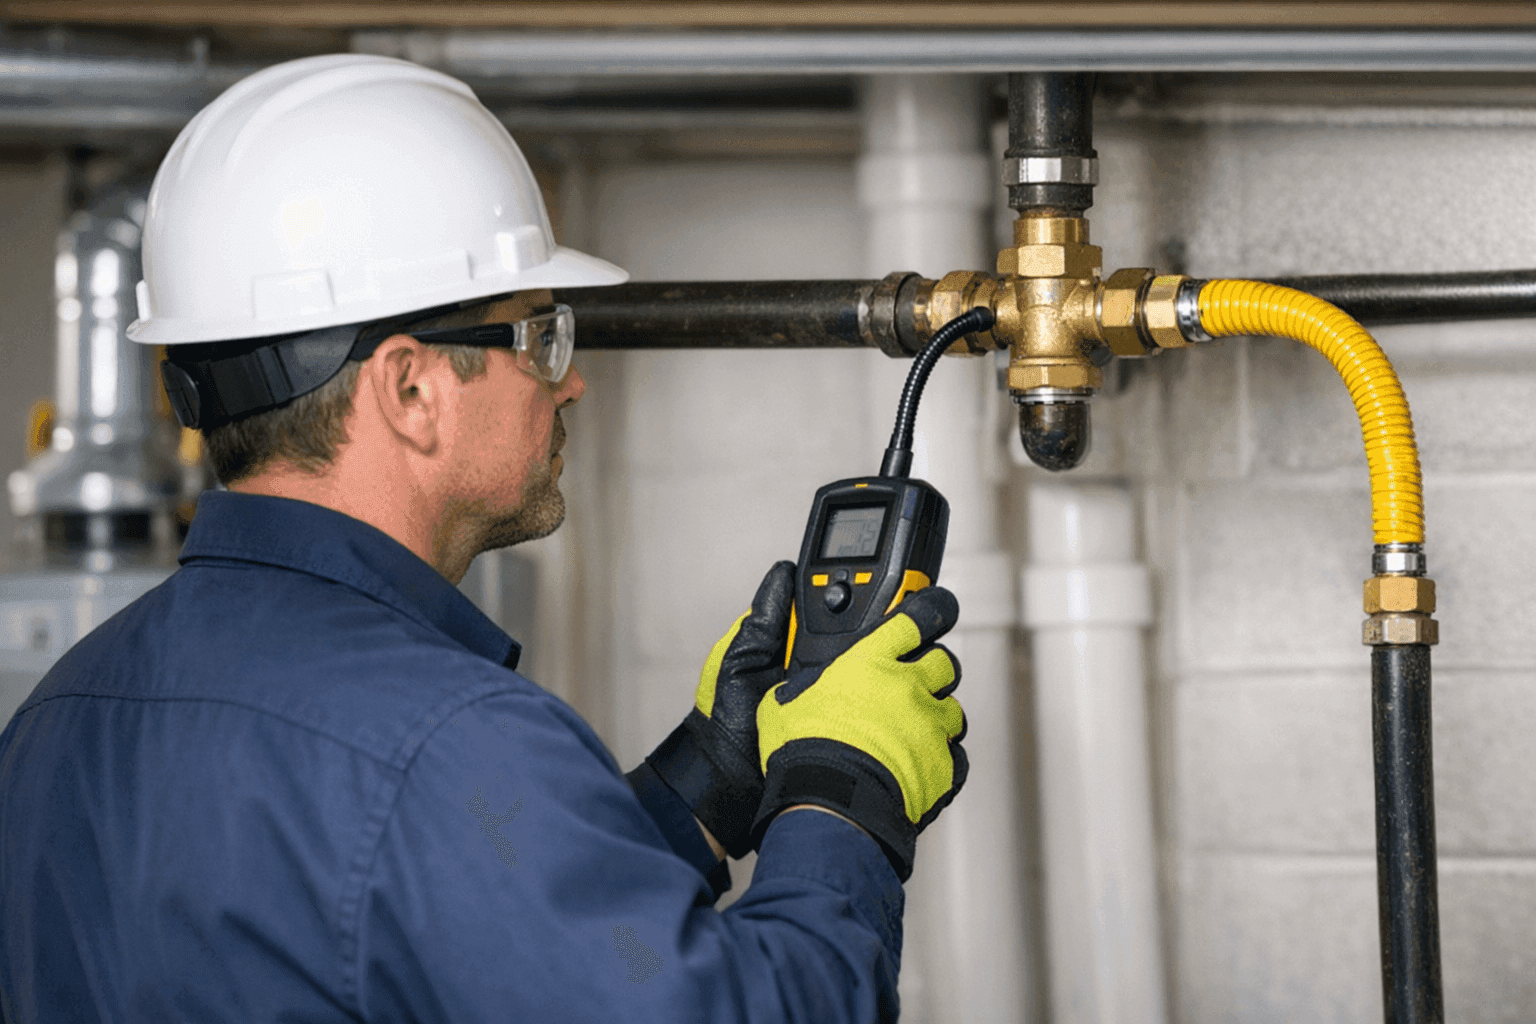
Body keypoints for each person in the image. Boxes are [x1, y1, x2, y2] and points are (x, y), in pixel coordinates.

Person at [0, 54, 967, 1023]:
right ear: (412, 389)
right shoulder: (448, 744)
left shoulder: (50, 727)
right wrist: (842, 787)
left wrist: (704, 784)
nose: (569, 380)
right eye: (539, 337)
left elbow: (418, 941)